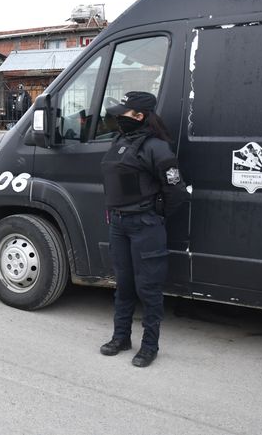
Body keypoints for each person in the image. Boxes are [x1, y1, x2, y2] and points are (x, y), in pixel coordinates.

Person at [98, 91, 190, 368]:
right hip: (119, 224)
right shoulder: (120, 141)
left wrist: (153, 215)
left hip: (144, 226)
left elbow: (177, 192)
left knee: (148, 289)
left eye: (123, 114)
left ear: (139, 116)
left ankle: (150, 345)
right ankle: (121, 337)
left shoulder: (156, 147)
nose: (117, 118)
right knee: (123, 285)